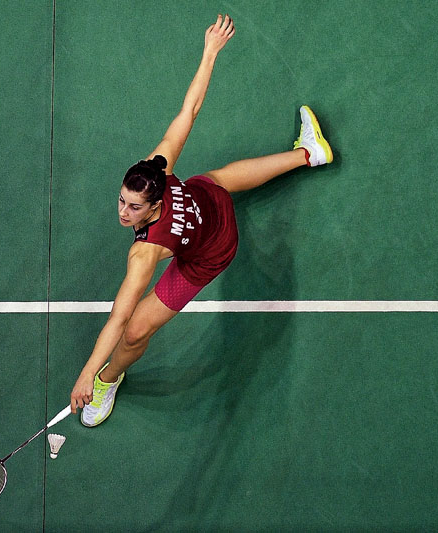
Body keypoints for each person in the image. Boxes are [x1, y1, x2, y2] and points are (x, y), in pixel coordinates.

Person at [69, 14, 333, 426]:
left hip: (209, 254)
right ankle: (310, 153)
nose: (123, 212)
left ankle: (108, 379)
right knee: (219, 180)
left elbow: (121, 318)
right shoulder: (159, 167)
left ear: (155, 206)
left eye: (134, 208)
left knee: (137, 331)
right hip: (208, 201)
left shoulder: (144, 254)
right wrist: (209, 52)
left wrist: (88, 373)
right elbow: (188, 111)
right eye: (122, 200)